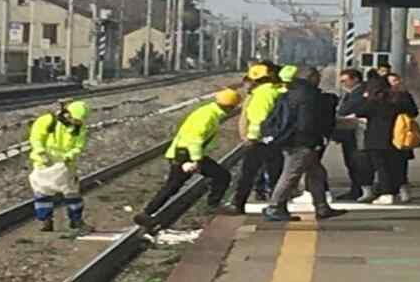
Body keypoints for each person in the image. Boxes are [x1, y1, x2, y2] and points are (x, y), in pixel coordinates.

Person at [135, 89, 240, 227]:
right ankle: (145, 214)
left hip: (187, 153)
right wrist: (196, 160)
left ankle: (213, 204)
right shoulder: (208, 116)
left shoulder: (209, 112)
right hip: (185, 155)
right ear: (229, 106)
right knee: (174, 185)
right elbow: (195, 139)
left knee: (219, 176)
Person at [263, 67, 346, 222]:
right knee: (290, 175)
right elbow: (307, 122)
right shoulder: (309, 96)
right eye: (318, 76)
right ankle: (274, 207)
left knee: (317, 173)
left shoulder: (290, 92)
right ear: (312, 77)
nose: (319, 79)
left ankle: (322, 207)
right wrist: (315, 140)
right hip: (302, 142)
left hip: (289, 139)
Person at [230, 64, 285, 214]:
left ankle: (238, 204)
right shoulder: (278, 90)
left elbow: (259, 119)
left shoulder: (261, 93)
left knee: (248, 173)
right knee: (276, 172)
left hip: (261, 140)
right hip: (277, 138)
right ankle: (278, 205)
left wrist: (251, 137)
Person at [28, 100, 90, 233]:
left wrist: (68, 156)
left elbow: (78, 146)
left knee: (72, 194)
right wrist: (41, 152)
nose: (75, 122)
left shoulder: (80, 128)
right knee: (42, 192)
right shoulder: (47, 121)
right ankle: (46, 221)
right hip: (44, 162)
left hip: (65, 165)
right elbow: (36, 138)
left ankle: (75, 220)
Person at [345, 77, 409, 203]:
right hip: (397, 137)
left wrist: (364, 97)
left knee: (382, 167)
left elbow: (357, 111)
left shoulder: (372, 102)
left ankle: (387, 193)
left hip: (376, 139)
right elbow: (413, 112)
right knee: (395, 166)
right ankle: (396, 192)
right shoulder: (398, 100)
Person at [333, 69, 373, 200]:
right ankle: (355, 189)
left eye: (345, 80)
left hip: (358, 133)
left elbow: (347, 109)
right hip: (347, 133)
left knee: (359, 162)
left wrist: (341, 112)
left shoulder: (361, 93)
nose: (342, 84)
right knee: (351, 162)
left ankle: (363, 188)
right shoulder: (348, 94)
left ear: (355, 79)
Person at [386, 72, 420, 203]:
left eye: (396, 80)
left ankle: (403, 188)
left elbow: (414, 112)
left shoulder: (405, 96)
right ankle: (393, 189)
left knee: (401, 163)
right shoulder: (382, 96)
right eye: (391, 81)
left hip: (402, 132)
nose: (394, 83)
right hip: (387, 133)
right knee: (388, 163)